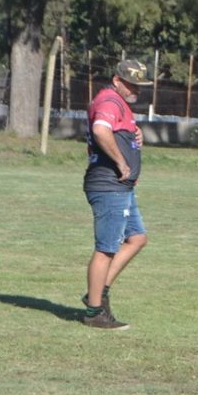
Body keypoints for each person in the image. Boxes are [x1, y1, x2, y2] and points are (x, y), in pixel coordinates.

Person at [81, 58, 154, 330]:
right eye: (131, 84)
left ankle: (98, 292)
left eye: (140, 85)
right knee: (106, 249)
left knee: (137, 238)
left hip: (121, 187)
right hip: (109, 185)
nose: (137, 89)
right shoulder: (110, 101)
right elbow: (101, 129)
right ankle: (94, 310)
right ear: (116, 80)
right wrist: (121, 162)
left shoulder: (118, 103)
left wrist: (135, 133)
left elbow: (116, 129)